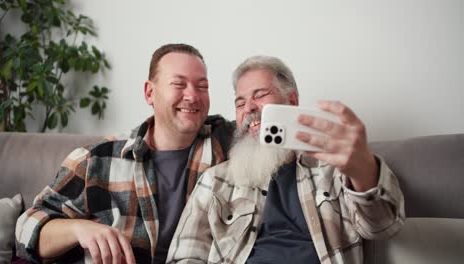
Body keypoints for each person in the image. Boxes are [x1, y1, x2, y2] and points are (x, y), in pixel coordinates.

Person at [166, 56, 405, 264]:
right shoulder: (215, 181)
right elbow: (185, 256)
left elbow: (382, 226)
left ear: (291, 102)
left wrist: (363, 170)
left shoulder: (334, 167)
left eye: (259, 95)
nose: (248, 107)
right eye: (240, 103)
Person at [15, 44, 234, 264]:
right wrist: (78, 229)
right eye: (179, 84)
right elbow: (27, 229)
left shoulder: (227, 144)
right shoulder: (96, 160)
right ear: (150, 93)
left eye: (202, 86)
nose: (193, 96)